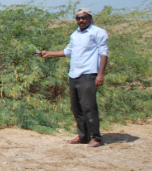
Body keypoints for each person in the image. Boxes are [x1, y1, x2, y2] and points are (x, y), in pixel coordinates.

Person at [38, 8, 108, 147]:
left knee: (89, 107)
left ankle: (96, 137)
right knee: (77, 108)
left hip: (89, 74)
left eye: (84, 17)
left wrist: (100, 74)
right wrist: (48, 53)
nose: (81, 20)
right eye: (78, 18)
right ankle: (83, 136)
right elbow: (68, 52)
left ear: (89, 17)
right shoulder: (75, 34)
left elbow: (103, 53)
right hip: (74, 74)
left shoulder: (98, 32)